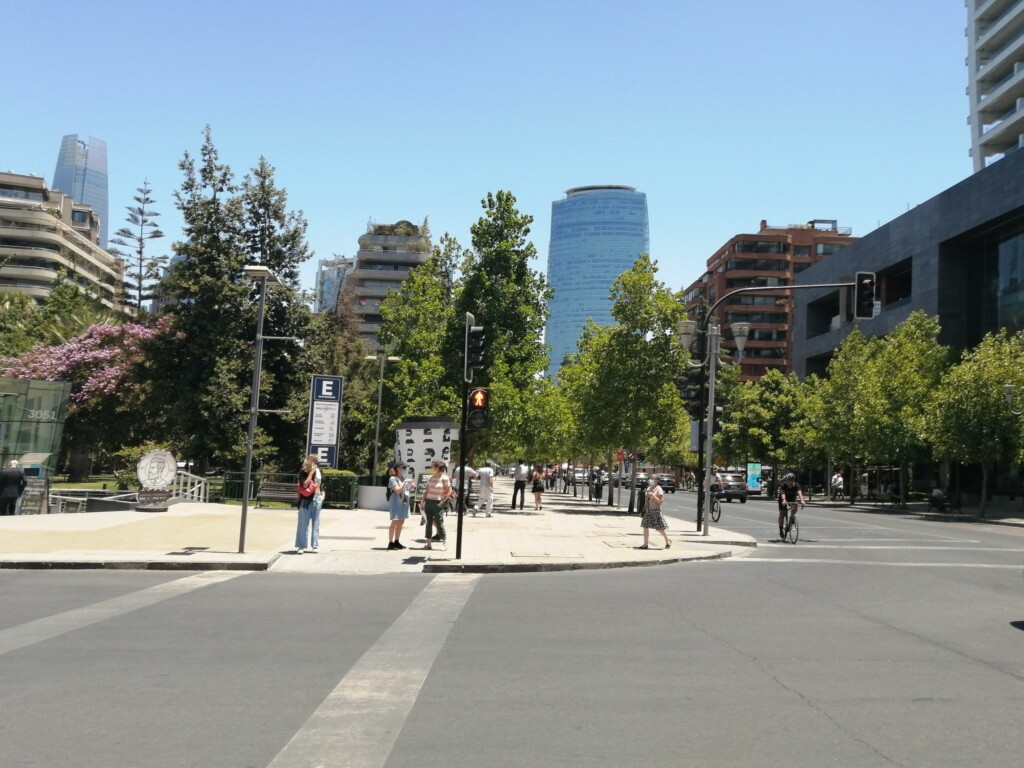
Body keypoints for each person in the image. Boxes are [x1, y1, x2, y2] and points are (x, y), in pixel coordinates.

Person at [421, 460, 451, 549]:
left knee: (439, 522)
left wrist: (443, 501)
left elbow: (449, 491)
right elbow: (426, 491)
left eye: (434, 466)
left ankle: (444, 543)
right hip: (429, 502)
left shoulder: (444, 478)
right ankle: (428, 543)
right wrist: (423, 502)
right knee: (428, 522)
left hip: (438, 503)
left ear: (439, 468)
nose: (433, 468)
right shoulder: (430, 478)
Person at [295, 456, 321, 554]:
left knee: (316, 523)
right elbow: (305, 485)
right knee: (303, 524)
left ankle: (315, 545)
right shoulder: (302, 474)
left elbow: (320, 484)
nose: (303, 467)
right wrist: (310, 473)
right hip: (305, 500)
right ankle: (301, 546)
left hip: (317, 498)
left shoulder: (318, 472)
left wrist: (322, 494)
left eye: (305, 465)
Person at [637, 474, 671, 549]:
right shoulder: (648, 488)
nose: (651, 480)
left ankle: (667, 540)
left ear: (657, 480)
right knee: (645, 526)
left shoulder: (658, 489)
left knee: (659, 528)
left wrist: (652, 495)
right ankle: (645, 544)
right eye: (650, 478)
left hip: (655, 511)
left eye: (653, 478)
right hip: (648, 510)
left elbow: (660, 502)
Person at [386, 462, 410, 550]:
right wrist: (405, 482)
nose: (404, 470)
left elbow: (405, 489)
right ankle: (390, 542)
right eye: (402, 468)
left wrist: (411, 486)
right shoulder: (393, 478)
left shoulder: (402, 478)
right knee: (394, 521)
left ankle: (397, 541)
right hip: (396, 502)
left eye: (404, 468)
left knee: (401, 522)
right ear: (397, 469)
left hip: (403, 502)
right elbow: (397, 490)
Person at [777, 473, 805, 540]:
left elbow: (800, 493)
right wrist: (784, 500)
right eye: (786, 480)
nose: (787, 481)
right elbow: (782, 493)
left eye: (788, 480)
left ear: (792, 480)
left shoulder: (796, 485)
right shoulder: (783, 485)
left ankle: (791, 518)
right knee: (782, 514)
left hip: (792, 498)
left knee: (795, 507)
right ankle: (781, 529)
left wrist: (802, 500)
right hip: (783, 499)